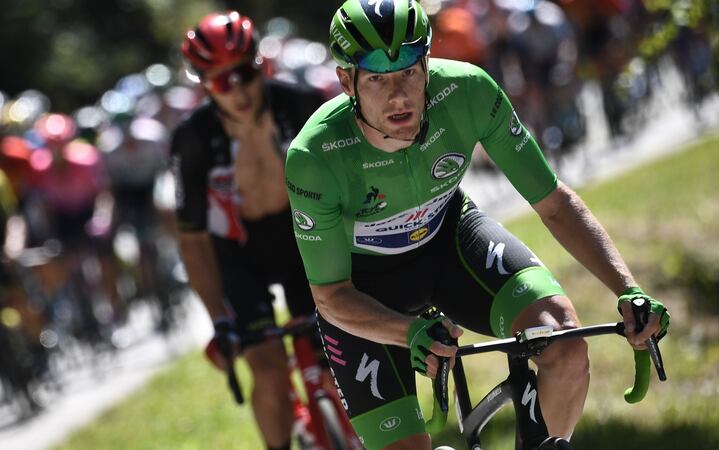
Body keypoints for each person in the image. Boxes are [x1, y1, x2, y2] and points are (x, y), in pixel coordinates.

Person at [284, 1, 670, 449]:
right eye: (376, 79)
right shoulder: (315, 158)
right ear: (346, 81)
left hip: (450, 243)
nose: (398, 96)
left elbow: (554, 202)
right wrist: (407, 333)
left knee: (564, 343)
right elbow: (330, 296)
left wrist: (626, 287)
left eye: (409, 71)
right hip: (364, 291)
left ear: (427, 63)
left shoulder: (467, 92)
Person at [171, 10, 328, 450]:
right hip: (239, 255)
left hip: (303, 236)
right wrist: (219, 319)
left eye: (243, 73)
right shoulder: (193, 140)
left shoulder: (301, 105)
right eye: (222, 81)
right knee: (270, 370)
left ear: (261, 64)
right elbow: (194, 240)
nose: (237, 90)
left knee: (335, 356)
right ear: (204, 85)